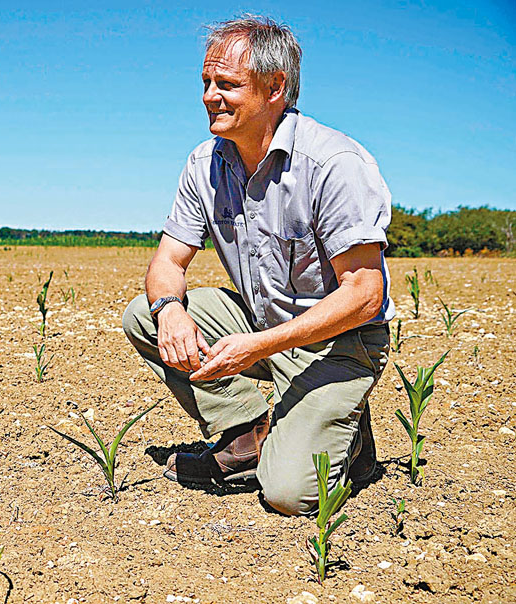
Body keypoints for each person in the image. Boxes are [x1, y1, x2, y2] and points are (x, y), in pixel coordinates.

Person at [121, 15, 394, 516]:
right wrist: (169, 310)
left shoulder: (333, 163)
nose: (210, 96)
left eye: (227, 84)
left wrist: (259, 346)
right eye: (206, 83)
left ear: (275, 88)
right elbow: (168, 260)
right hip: (262, 326)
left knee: (289, 495)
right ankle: (245, 436)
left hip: (338, 343)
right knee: (145, 314)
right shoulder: (204, 163)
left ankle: (350, 439)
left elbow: (364, 294)